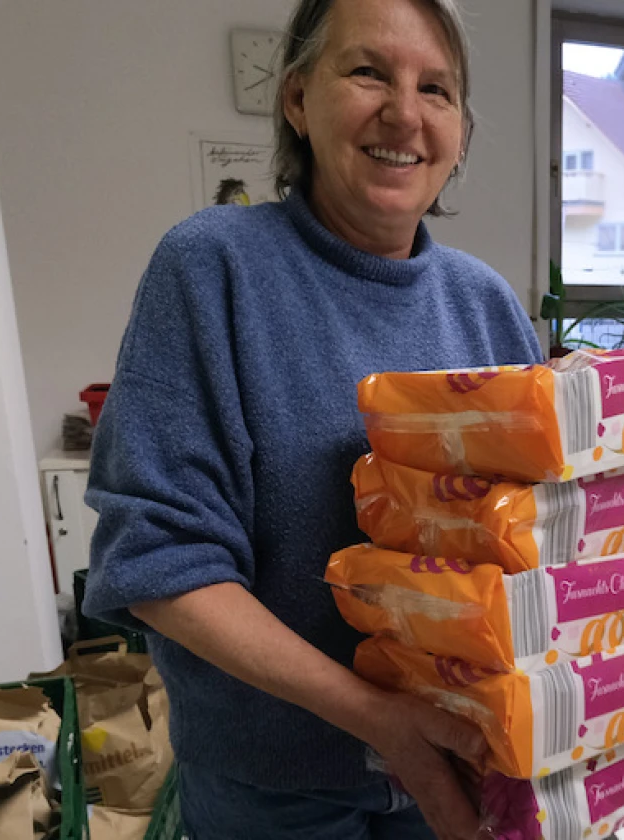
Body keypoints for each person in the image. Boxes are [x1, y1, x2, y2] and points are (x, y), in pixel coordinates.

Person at [82, 1, 541, 838]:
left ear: (461, 134)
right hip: (276, 791)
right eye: (368, 72)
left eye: (435, 89)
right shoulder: (213, 267)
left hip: (466, 760)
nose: (404, 114)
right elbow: (159, 563)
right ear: (297, 98)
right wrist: (380, 720)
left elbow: (537, 541)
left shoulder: (486, 305)